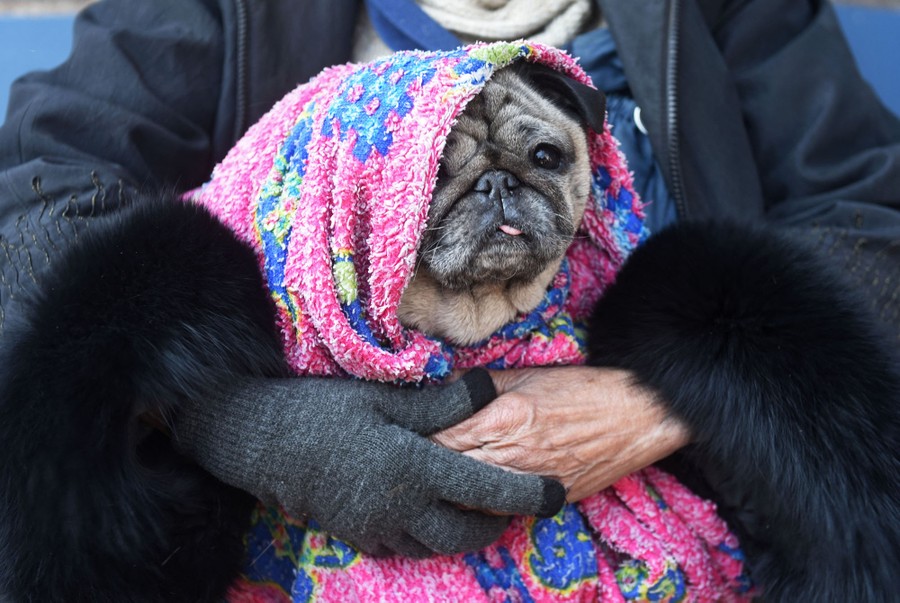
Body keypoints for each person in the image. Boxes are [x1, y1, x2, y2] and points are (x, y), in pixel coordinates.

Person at [0, 0, 897, 601]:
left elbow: (870, 217)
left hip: (675, 498)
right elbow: (36, 201)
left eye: (540, 157)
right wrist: (241, 422)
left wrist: (666, 398)